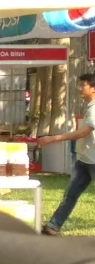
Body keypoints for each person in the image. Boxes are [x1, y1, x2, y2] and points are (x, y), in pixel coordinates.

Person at [39, 72, 95, 234]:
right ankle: (53, 227)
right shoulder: (90, 106)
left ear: (93, 89)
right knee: (70, 194)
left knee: (71, 194)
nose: (80, 88)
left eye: (83, 85)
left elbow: (82, 133)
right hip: (85, 159)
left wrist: (53, 138)